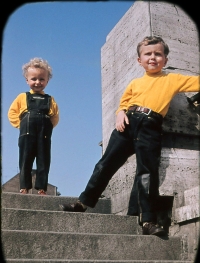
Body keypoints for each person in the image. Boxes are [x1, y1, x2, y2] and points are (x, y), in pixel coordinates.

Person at [60, 36, 200, 235]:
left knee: (147, 173)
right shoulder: (135, 83)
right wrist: (120, 113)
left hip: (150, 126)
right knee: (105, 164)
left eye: (158, 54)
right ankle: (83, 203)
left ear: (165, 60)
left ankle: (147, 221)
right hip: (126, 125)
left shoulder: (172, 79)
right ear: (139, 60)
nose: (153, 58)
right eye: (148, 54)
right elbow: (124, 103)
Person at [8, 57, 59, 195]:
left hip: (44, 133)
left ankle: (42, 188)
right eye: (34, 79)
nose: (38, 82)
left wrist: (48, 127)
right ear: (27, 80)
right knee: (25, 158)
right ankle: (24, 187)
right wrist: (21, 125)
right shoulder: (21, 97)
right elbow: (12, 112)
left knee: (44, 159)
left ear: (47, 80)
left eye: (41, 79)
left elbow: (55, 116)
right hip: (27, 131)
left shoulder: (50, 99)